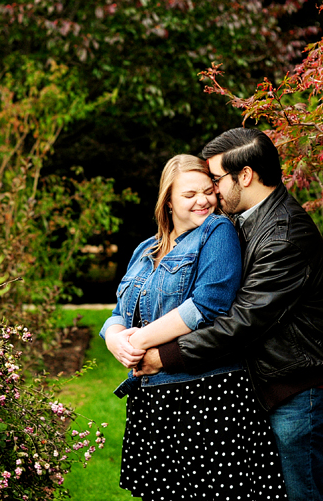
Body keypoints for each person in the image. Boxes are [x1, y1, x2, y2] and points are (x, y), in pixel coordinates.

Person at [135, 128, 323, 501]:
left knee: (299, 493)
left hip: (302, 384)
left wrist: (165, 356)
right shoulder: (244, 219)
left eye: (217, 180)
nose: (212, 192)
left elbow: (242, 321)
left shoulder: (283, 235)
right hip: (274, 378)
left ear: (246, 176)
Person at [100, 154, 286, 501]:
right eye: (189, 194)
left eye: (208, 191)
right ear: (167, 200)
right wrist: (113, 337)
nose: (203, 200)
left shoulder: (217, 232)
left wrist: (138, 340)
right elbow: (118, 312)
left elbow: (207, 304)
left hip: (205, 396)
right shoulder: (145, 249)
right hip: (154, 399)